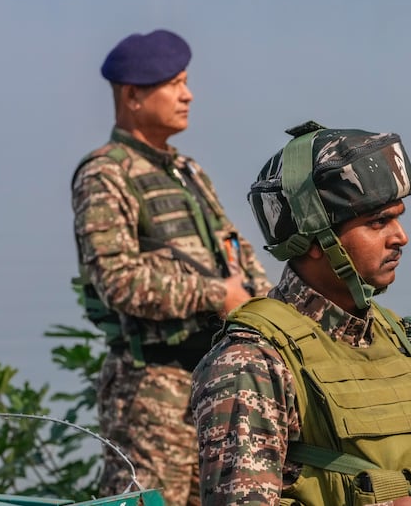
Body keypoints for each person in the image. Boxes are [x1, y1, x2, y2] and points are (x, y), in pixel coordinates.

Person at [190, 121, 411, 506]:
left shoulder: (405, 341)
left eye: (397, 216)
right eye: (377, 222)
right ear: (315, 238)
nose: (400, 236)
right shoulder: (252, 363)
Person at [71, 29, 272, 506]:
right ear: (133, 95)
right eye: (175, 83)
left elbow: (236, 252)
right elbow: (117, 281)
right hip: (150, 393)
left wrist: (267, 314)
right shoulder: (105, 173)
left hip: (212, 381)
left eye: (186, 81)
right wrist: (217, 297)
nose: (189, 94)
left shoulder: (187, 170)